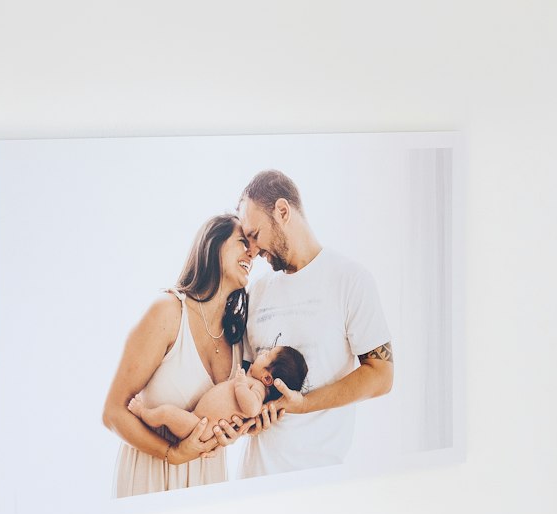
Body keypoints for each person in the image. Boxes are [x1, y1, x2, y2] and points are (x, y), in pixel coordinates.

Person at [235, 170, 394, 478]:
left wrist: (304, 404)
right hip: (251, 480)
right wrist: (246, 419)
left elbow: (382, 375)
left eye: (255, 235)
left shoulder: (350, 280)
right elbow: (244, 377)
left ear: (282, 211)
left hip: (316, 481)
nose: (251, 251)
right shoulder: (258, 291)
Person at [103, 214, 252, 496]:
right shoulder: (168, 312)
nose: (251, 253)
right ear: (213, 245)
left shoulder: (237, 338)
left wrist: (232, 434)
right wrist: (173, 453)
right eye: (243, 242)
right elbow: (112, 413)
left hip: (209, 480)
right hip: (152, 477)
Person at [126, 345, 308, 444]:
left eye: (267, 355)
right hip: (198, 421)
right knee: (169, 414)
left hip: (201, 427)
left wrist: (240, 384)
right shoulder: (251, 382)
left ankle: (143, 412)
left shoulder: (257, 389)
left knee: (166, 413)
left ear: (267, 378)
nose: (261, 353)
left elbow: (252, 409)